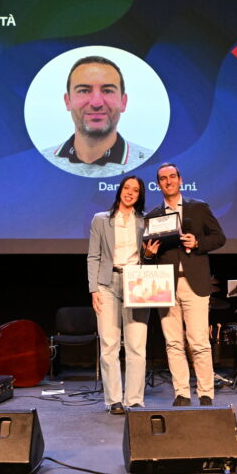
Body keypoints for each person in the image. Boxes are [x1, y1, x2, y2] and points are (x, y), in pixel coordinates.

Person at [143, 163, 226, 406]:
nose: (168, 181)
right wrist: (148, 254)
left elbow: (219, 237)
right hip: (165, 285)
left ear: (180, 180)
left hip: (195, 283)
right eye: (163, 178)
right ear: (158, 184)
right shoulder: (152, 216)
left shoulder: (198, 207)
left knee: (198, 341)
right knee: (173, 343)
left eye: (172, 177)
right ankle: (181, 393)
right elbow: (147, 256)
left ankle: (206, 392)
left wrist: (197, 243)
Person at [87, 176, 151, 413]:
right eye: (127, 188)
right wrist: (93, 289)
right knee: (109, 344)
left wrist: (149, 254)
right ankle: (113, 399)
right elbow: (93, 256)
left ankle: (134, 400)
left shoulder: (145, 221)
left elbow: (150, 256)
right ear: (120, 190)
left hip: (137, 282)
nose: (130, 193)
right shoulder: (101, 219)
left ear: (139, 195)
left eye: (135, 190)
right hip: (107, 283)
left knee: (136, 345)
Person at [42, 55, 152, 178]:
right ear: (68, 102)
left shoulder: (152, 163)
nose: (96, 103)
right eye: (84, 91)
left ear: (123, 102)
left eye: (107, 91)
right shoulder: (39, 163)